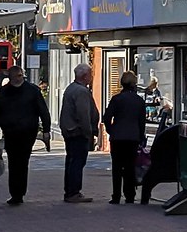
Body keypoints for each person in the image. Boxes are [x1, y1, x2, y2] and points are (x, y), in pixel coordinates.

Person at [0, 66, 51, 206]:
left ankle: (19, 192)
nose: (18, 79)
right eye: (16, 76)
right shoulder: (3, 92)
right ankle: (15, 193)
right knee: (14, 162)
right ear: (11, 77)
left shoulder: (32, 91)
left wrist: (46, 130)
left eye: (20, 76)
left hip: (28, 132)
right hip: (10, 131)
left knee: (23, 161)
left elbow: (43, 111)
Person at [101, 71, 147, 204]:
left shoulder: (116, 99)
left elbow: (107, 117)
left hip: (117, 138)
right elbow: (141, 122)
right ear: (134, 84)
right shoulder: (139, 101)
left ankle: (116, 196)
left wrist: (111, 131)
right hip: (132, 138)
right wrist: (140, 136)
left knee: (117, 167)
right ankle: (130, 195)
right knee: (130, 166)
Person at [59, 64, 99, 204]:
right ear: (84, 76)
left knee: (71, 161)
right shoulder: (81, 91)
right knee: (77, 161)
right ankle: (73, 192)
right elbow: (84, 114)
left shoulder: (71, 88)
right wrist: (89, 132)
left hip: (70, 131)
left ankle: (70, 191)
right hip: (78, 132)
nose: (91, 76)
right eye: (90, 74)